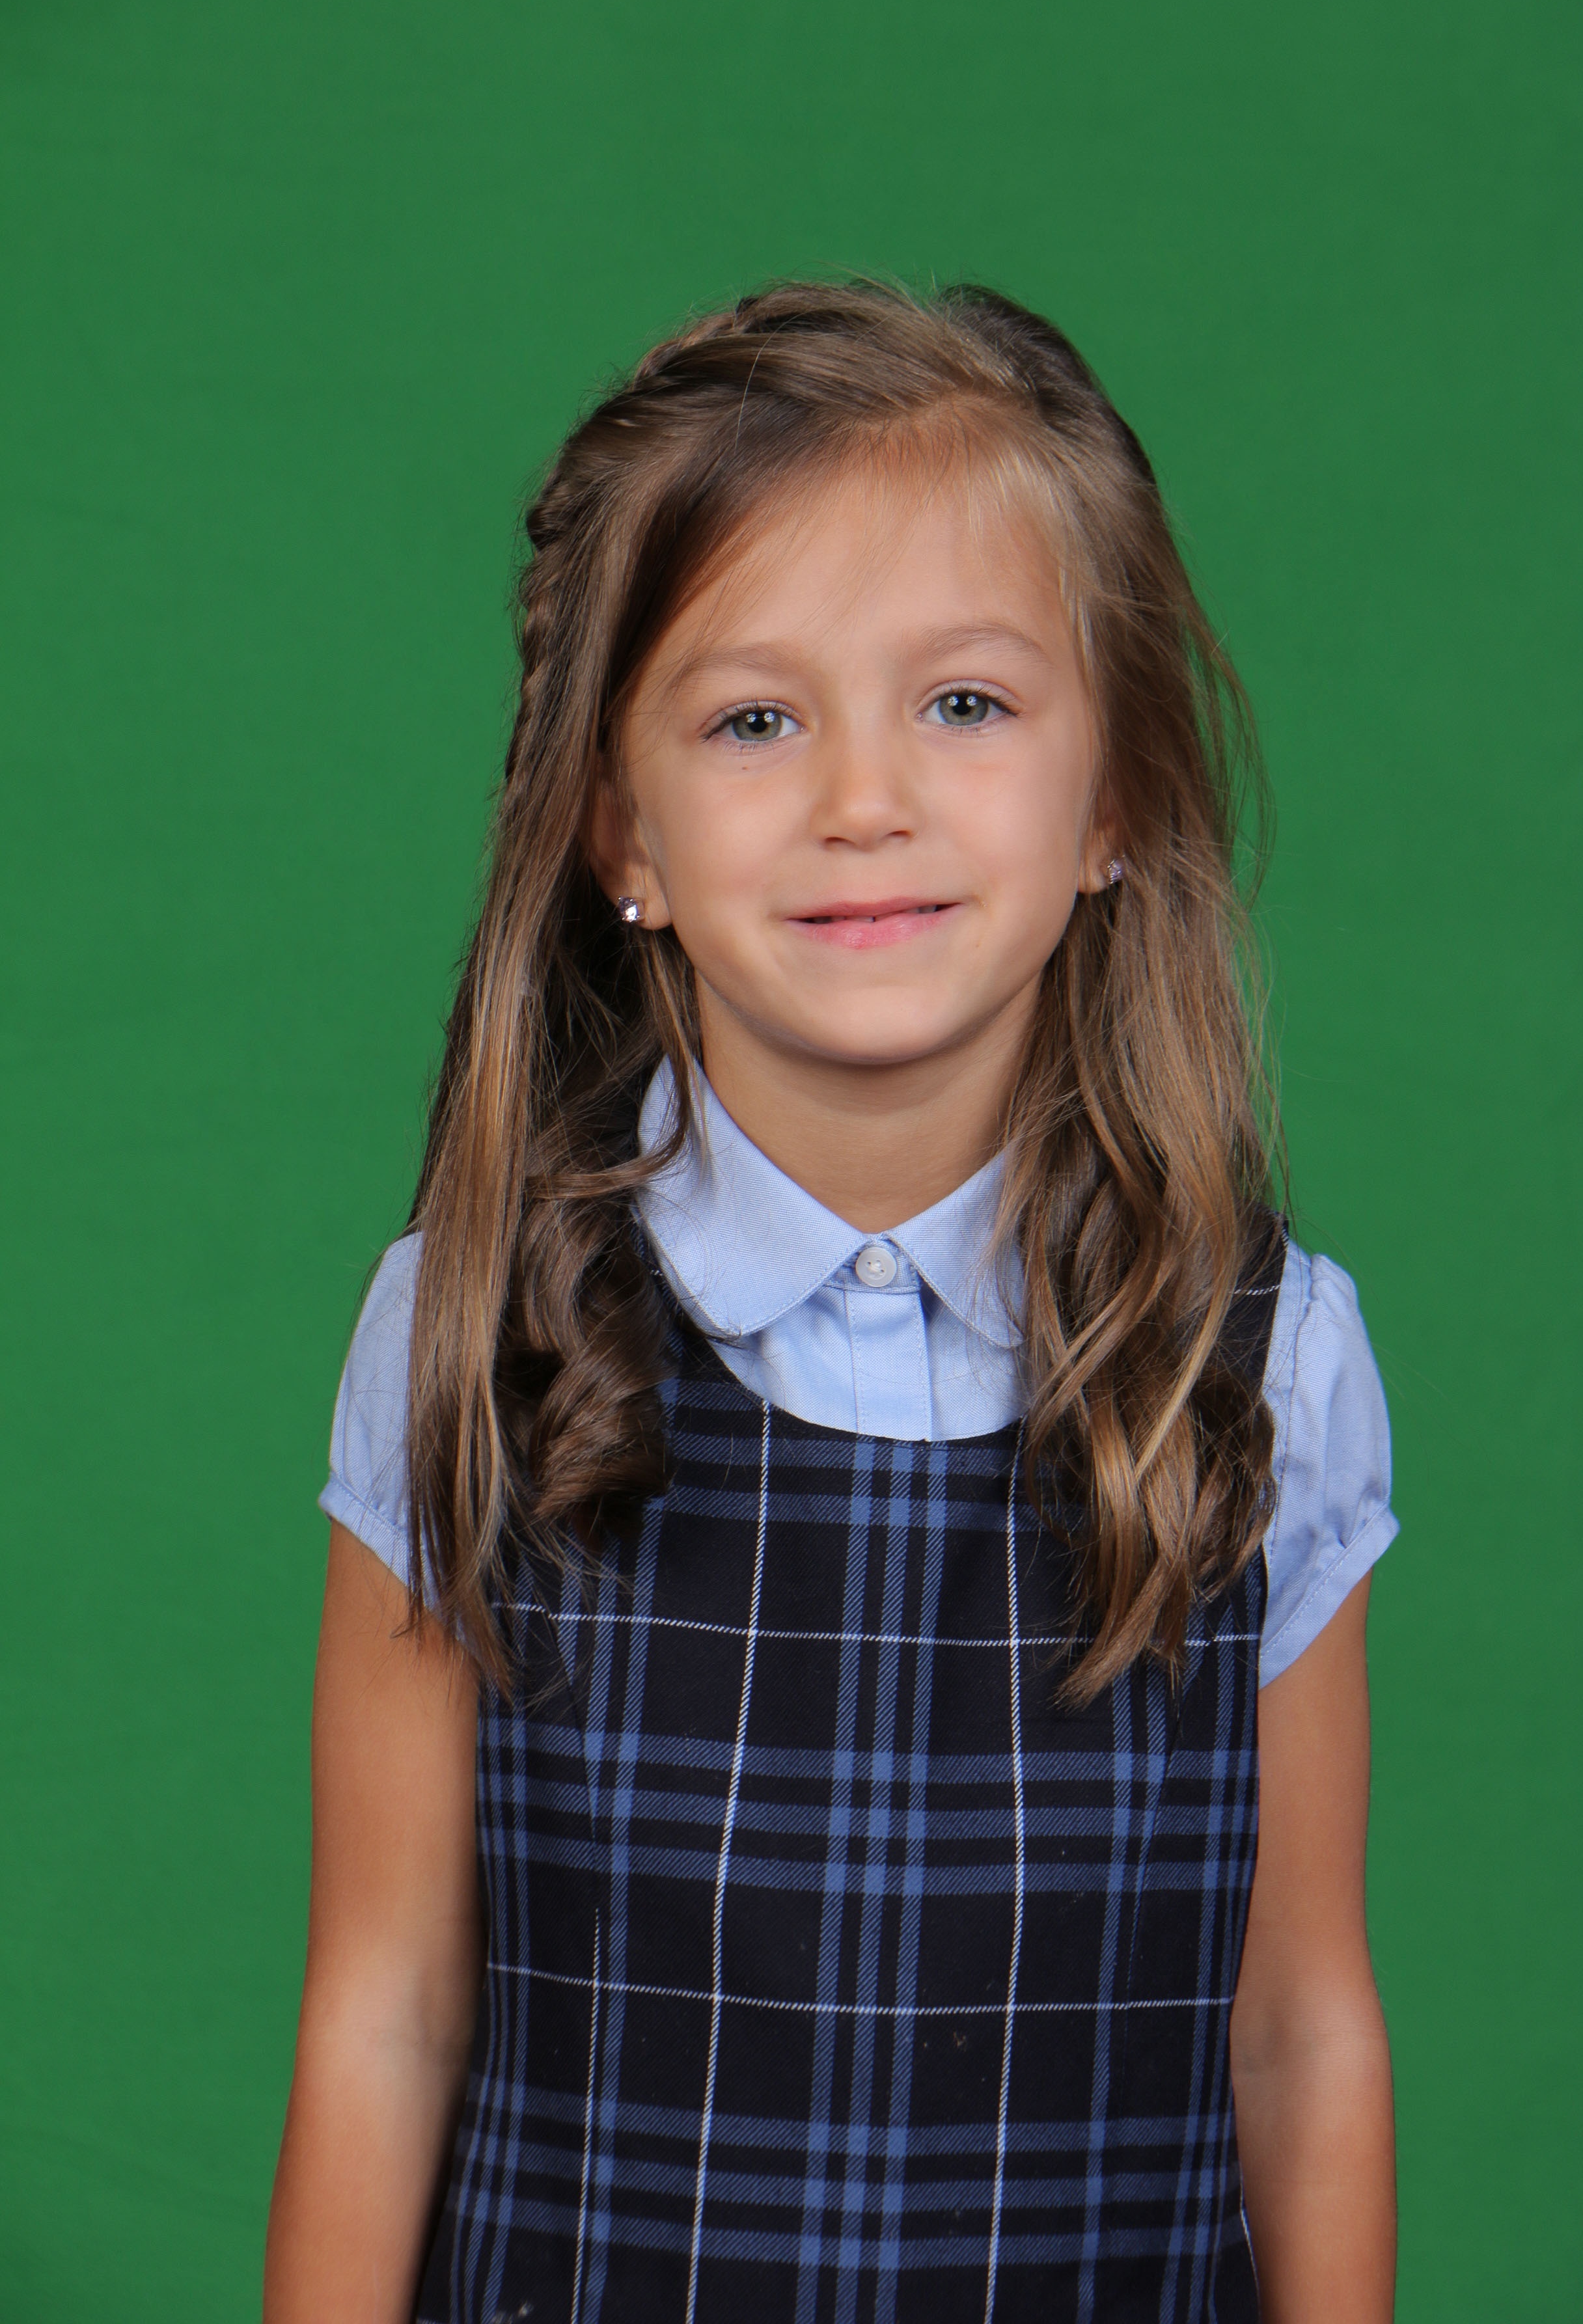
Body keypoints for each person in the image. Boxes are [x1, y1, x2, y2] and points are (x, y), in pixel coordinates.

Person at [264, 282, 1399, 2323]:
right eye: (754, 720)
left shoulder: (1264, 1363)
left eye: (964, 704)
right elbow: (389, 2009)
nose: (863, 797)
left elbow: (1297, 2032)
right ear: (621, 831)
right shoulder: (472, 1333)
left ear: (1113, 795)